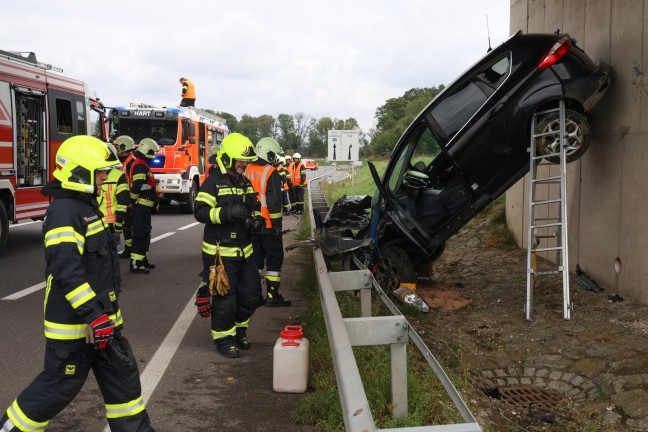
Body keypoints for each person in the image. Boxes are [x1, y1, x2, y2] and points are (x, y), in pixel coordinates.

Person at [0, 135, 155, 432]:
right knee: (59, 386)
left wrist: (104, 318)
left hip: (102, 321)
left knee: (124, 384)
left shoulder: (85, 207)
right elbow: (68, 273)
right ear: (79, 172)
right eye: (98, 172)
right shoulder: (63, 213)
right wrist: (95, 317)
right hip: (76, 326)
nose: (103, 179)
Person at [193, 133, 264, 358]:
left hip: (246, 251)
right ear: (227, 160)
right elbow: (200, 212)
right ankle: (224, 340)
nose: (245, 164)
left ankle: (239, 330)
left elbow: (253, 207)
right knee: (226, 298)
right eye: (240, 160)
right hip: (220, 252)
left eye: (246, 161)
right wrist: (227, 213)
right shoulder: (212, 182)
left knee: (251, 296)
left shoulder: (245, 182)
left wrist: (257, 220)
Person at [246, 138, 291, 307]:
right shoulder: (270, 172)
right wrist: (277, 226)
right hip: (268, 225)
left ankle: (255, 295)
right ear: (269, 153)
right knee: (274, 259)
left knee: (255, 260)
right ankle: (272, 296)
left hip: (251, 225)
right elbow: (273, 203)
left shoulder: (248, 169)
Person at [129, 138, 160, 274]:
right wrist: (132, 201)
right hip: (141, 205)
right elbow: (137, 186)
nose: (154, 155)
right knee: (140, 234)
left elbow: (143, 184)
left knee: (145, 233)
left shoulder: (143, 164)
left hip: (144, 206)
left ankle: (143, 259)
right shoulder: (141, 165)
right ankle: (136, 263)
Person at [98, 144, 130, 246]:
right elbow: (123, 201)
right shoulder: (119, 176)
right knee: (109, 253)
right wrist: (119, 223)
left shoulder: (91, 174)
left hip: (93, 221)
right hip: (110, 222)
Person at [114, 136, 138, 258]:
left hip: (128, 199)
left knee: (127, 226)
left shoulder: (132, 162)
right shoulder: (124, 160)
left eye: (117, 146)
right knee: (126, 225)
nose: (116, 148)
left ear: (123, 147)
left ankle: (129, 249)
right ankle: (129, 249)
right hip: (123, 197)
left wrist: (131, 199)